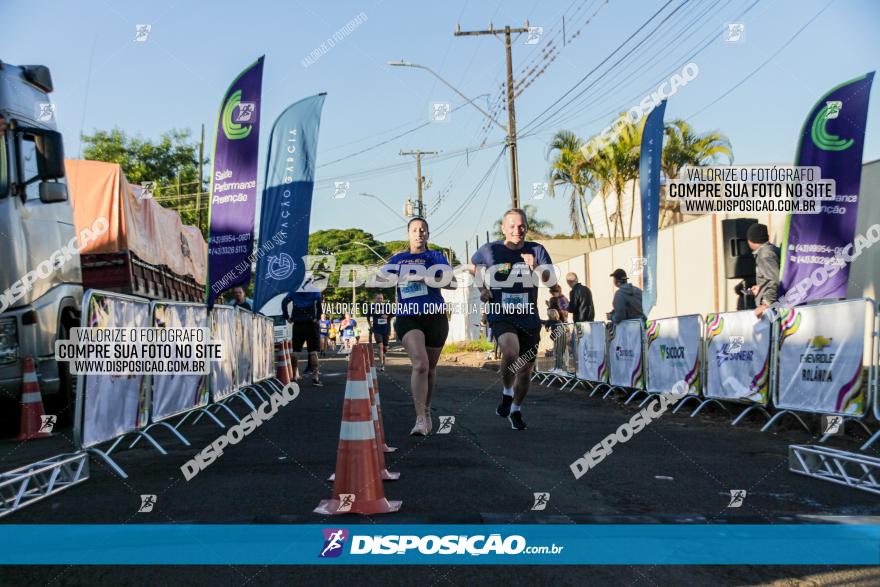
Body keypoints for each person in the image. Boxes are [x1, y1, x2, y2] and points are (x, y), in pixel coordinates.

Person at [471, 208, 553, 431]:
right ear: (503, 228)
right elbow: (474, 268)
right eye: (512, 226)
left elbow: (549, 278)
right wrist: (482, 289)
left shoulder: (536, 250)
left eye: (521, 226)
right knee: (510, 351)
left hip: (529, 316)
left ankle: (515, 409)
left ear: (526, 226)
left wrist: (536, 267)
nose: (517, 230)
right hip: (501, 312)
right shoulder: (490, 250)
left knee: (525, 371)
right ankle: (507, 392)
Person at [384, 217, 455, 436]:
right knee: (420, 364)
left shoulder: (435, 256)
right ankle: (420, 418)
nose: (419, 233)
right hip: (408, 317)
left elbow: (451, 282)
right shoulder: (399, 259)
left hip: (434, 317)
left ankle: (426, 410)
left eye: (423, 230)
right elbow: (379, 279)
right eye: (414, 230)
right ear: (408, 234)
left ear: (428, 234)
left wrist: (425, 278)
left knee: (431, 370)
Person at [281, 289, 323, 386]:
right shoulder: (315, 290)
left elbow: (284, 302)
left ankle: (294, 377)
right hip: (310, 323)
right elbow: (319, 303)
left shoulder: (294, 290)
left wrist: (287, 316)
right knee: (313, 352)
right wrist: (318, 317)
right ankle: (315, 378)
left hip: (298, 324)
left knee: (296, 352)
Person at [746, 223, 780, 318]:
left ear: (752, 240)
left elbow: (774, 280)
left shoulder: (764, 255)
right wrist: (760, 287)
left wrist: (766, 304)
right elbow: (771, 277)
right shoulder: (771, 250)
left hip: (772, 309)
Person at [367, 293, 392, 371]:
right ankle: (381, 364)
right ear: (375, 299)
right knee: (380, 346)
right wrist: (370, 326)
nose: (380, 300)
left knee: (385, 347)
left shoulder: (387, 306)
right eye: (378, 298)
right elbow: (368, 317)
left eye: (381, 298)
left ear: (383, 299)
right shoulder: (372, 307)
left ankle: (383, 355)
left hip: (386, 329)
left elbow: (394, 313)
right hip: (377, 329)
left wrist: (387, 316)